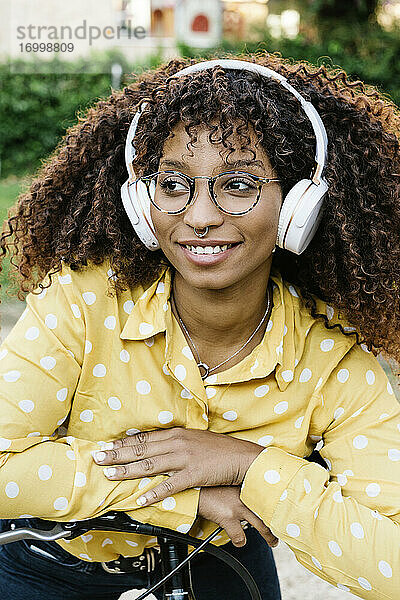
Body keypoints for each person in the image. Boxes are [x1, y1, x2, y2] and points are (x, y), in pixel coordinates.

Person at [0, 50, 398, 600]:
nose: (201, 215)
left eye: (239, 184)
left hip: (218, 562)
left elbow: (392, 563)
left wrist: (249, 466)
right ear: (142, 202)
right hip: (43, 561)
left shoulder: (330, 356)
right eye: (173, 184)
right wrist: (183, 495)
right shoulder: (82, 302)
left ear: (298, 205)